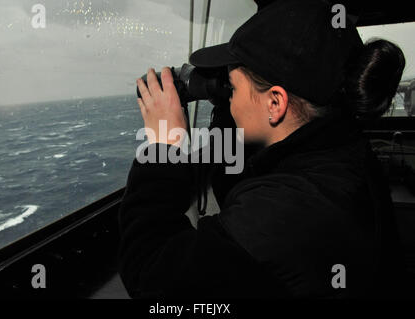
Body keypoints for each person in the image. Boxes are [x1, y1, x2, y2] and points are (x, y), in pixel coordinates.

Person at [117, 0, 406, 298]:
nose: (230, 97)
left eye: (234, 87)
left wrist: (165, 147)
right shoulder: (340, 153)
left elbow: (151, 276)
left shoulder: (283, 213)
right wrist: (228, 103)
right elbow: (238, 191)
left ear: (275, 103)